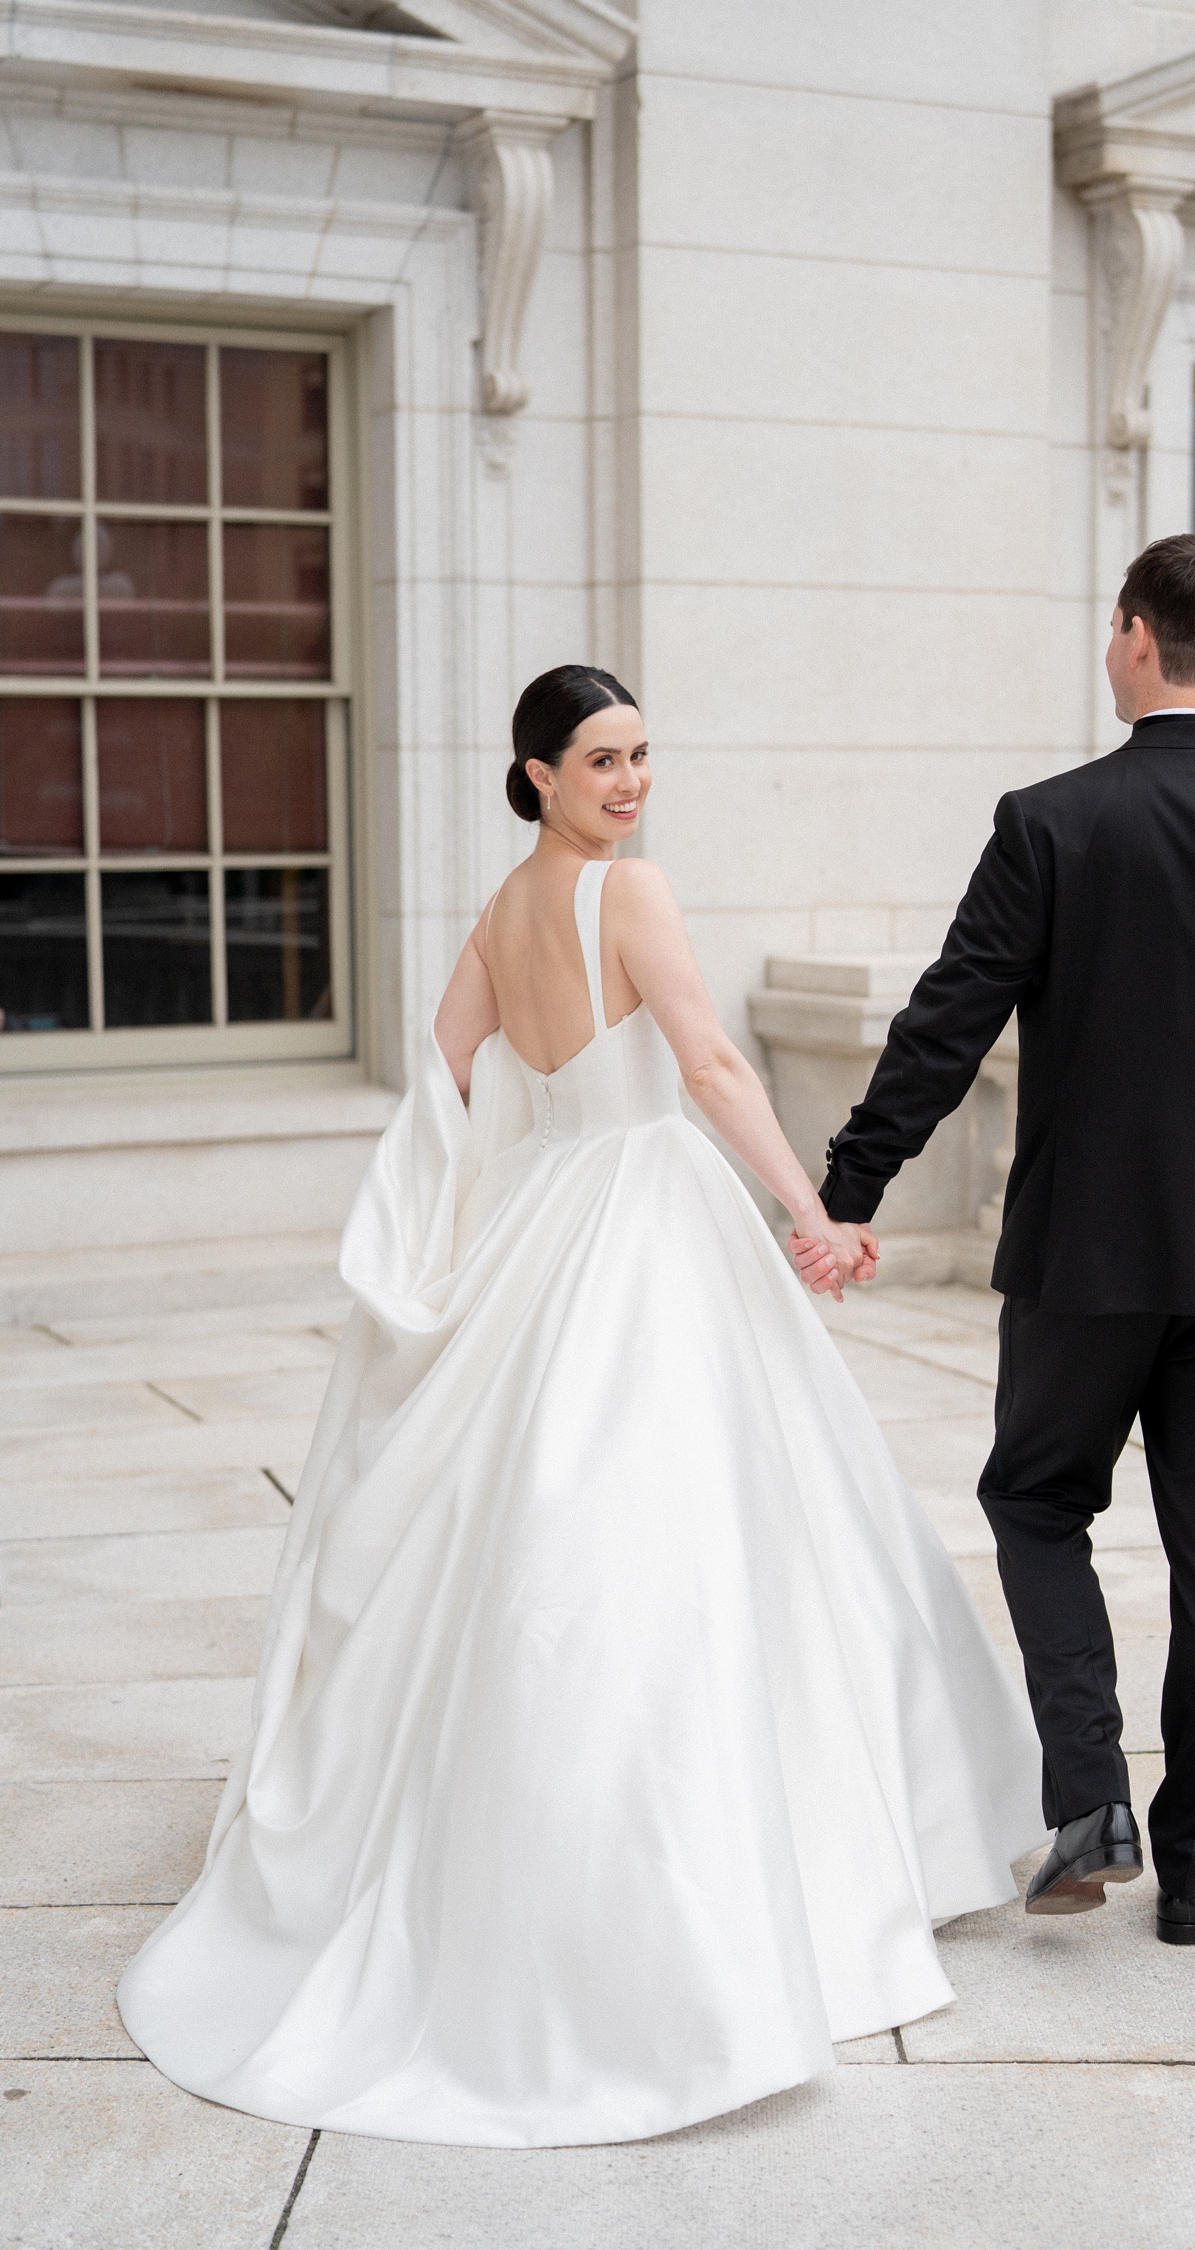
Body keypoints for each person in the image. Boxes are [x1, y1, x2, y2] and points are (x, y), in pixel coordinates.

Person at [116, 664, 1045, 2148]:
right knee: (687, 1539)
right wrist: (812, 1213)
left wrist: (473, 1218)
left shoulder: (497, 912)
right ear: (537, 772)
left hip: (543, 1222)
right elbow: (715, 1063)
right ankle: (701, 1905)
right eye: (602, 760)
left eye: (643, 756)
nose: (631, 781)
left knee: (570, 1535)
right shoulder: (633, 896)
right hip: (647, 1219)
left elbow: (448, 1072)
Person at [797, 534, 1195, 1946]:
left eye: (1112, 628)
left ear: (1138, 636)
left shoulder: (1052, 820)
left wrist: (852, 1186)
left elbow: (946, 1021)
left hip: (1086, 1256)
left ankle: (1090, 1799)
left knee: (1036, 1500)